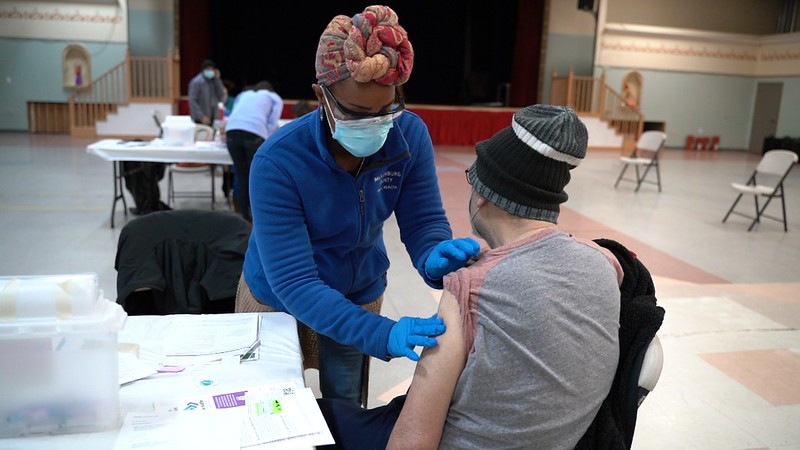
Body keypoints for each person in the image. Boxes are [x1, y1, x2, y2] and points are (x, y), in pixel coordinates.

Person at [316, 105, 625, 449]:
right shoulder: (606, 264)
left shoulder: (472, 287)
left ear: (482, 196)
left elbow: (413, 441)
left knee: (317, 417)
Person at [235, 5, 480, 407]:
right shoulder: (277, 162)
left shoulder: (408, 135)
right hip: (278, 300)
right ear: (321, 96)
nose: (376, 125)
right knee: (274, 406)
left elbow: (423, 221)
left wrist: (434, 252)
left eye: (387, 109)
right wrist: (382, 334)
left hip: (356, 291)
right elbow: (296, 283)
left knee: (345, 405)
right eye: (356, 113)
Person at [225, 81, 283, 222]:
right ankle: (259, 217)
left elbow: (232, 114)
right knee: (256, 175)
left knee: (241, 174)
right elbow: (272, 122)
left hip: (231, 132)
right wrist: (266, 139)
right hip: (254, 133)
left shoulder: (243, 94)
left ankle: (245, 218)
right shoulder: (274, 97)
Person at [188, 59, 226, 126]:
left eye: (212, 69)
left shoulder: (214, 81)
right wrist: (201, 117)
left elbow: (221, 95)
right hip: (200, 119)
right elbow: (192, 101)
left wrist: (217, 79)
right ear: (203, 70)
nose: (210, 71)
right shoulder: (196, 82)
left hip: (213, 117)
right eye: (208, 69)